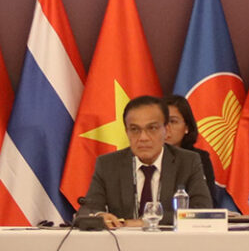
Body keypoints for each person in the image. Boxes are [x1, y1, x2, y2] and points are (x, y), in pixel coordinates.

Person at [78, 95, 213, 229]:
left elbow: (202, 211)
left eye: (152, 128)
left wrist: (148, 221)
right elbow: (86, 211)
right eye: (135, 129)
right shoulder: (108, 164)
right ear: (127, 132)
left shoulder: (188, 162)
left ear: (166, 130)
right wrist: (99, 216)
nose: (143, 138)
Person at [162, 94, 239, 213]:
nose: (166, 128)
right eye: (162, 122)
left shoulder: (198, 158)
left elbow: (207, 203)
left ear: (187, 127)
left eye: (173, 121)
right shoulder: (146, 157)